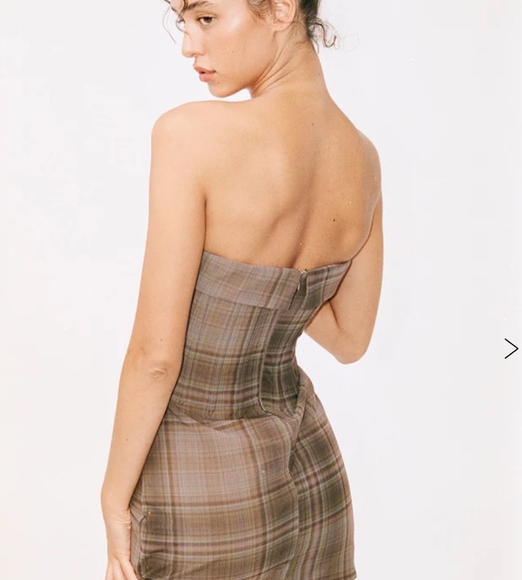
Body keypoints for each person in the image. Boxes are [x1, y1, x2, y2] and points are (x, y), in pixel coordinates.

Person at [100, 0, 383, 578]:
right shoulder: (363, 157)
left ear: (280, 9)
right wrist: (278, 279)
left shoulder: (191, 134)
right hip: (314, 475)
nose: (189, 45)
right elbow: (350, 338)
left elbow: (156, 359)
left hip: (199, 483)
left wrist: (113, 497)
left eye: (206, 18)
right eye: (183, 23)